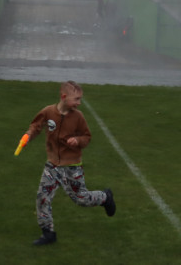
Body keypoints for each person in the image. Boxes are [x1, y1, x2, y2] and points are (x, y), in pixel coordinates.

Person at [22, 80, 115, 246]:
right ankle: (48, 233)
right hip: (52, 165)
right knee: (42, 197)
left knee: (81, 199)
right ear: (64, 97)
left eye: (80, 99)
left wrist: (78, 140)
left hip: (72, 166)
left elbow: (87, 137)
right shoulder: (48, 112)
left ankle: (105, 197)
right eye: (76, 99)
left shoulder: (78, 117)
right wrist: (28, 136)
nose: (79, 103)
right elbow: (36, 126)